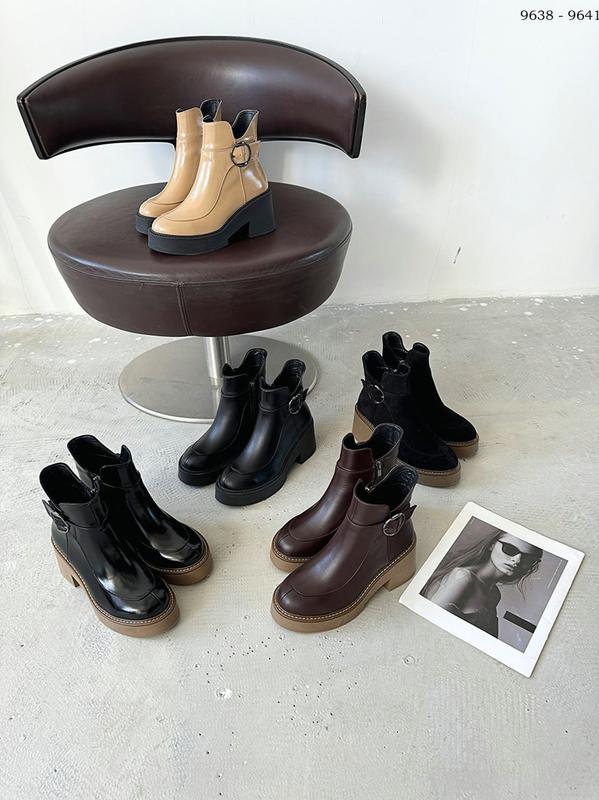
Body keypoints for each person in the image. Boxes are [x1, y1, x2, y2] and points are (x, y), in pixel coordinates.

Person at [421, 530, 543, 637]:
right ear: (492, 544)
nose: (517, 560)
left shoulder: (494, 594)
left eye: (527, 558)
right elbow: (426, 624)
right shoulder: (463, 578)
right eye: (509, 549)